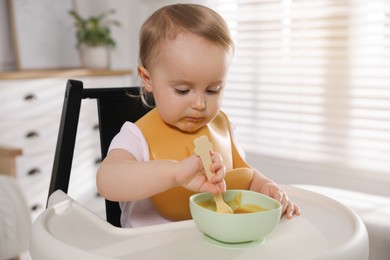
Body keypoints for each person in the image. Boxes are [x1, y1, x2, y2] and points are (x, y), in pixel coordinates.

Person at [97, 3, 300, 228]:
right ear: (148, 79)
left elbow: (242, 174)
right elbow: (107, 181)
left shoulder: (222, 127)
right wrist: (174, 174)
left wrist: (263, 185)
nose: (200, 104)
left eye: (213, 90)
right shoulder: (136, 137)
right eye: (183, 90)